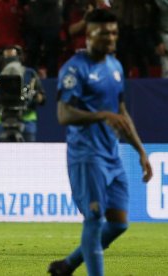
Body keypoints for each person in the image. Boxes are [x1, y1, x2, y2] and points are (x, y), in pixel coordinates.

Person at [48, 9, 153, 276]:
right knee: (94, 219)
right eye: (104, 32)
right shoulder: (74, 68)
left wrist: (140, 150)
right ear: (88, 34)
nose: (111, 37)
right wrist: (101, 115)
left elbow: (121, 113)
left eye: (114, 33)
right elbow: (64, 113)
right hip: (86, 155)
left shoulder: (115, 66)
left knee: (119, 224)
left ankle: (67, 265)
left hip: (112, 155)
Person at [0, 45, 46, 142]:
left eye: (13, 58)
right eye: (8, 59)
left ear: (20, 57)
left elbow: (42, 99)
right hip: (4, 121)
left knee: (29, 155)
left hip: (27, 122)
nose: (11, 62)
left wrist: (34, 95)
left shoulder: (30, 74)